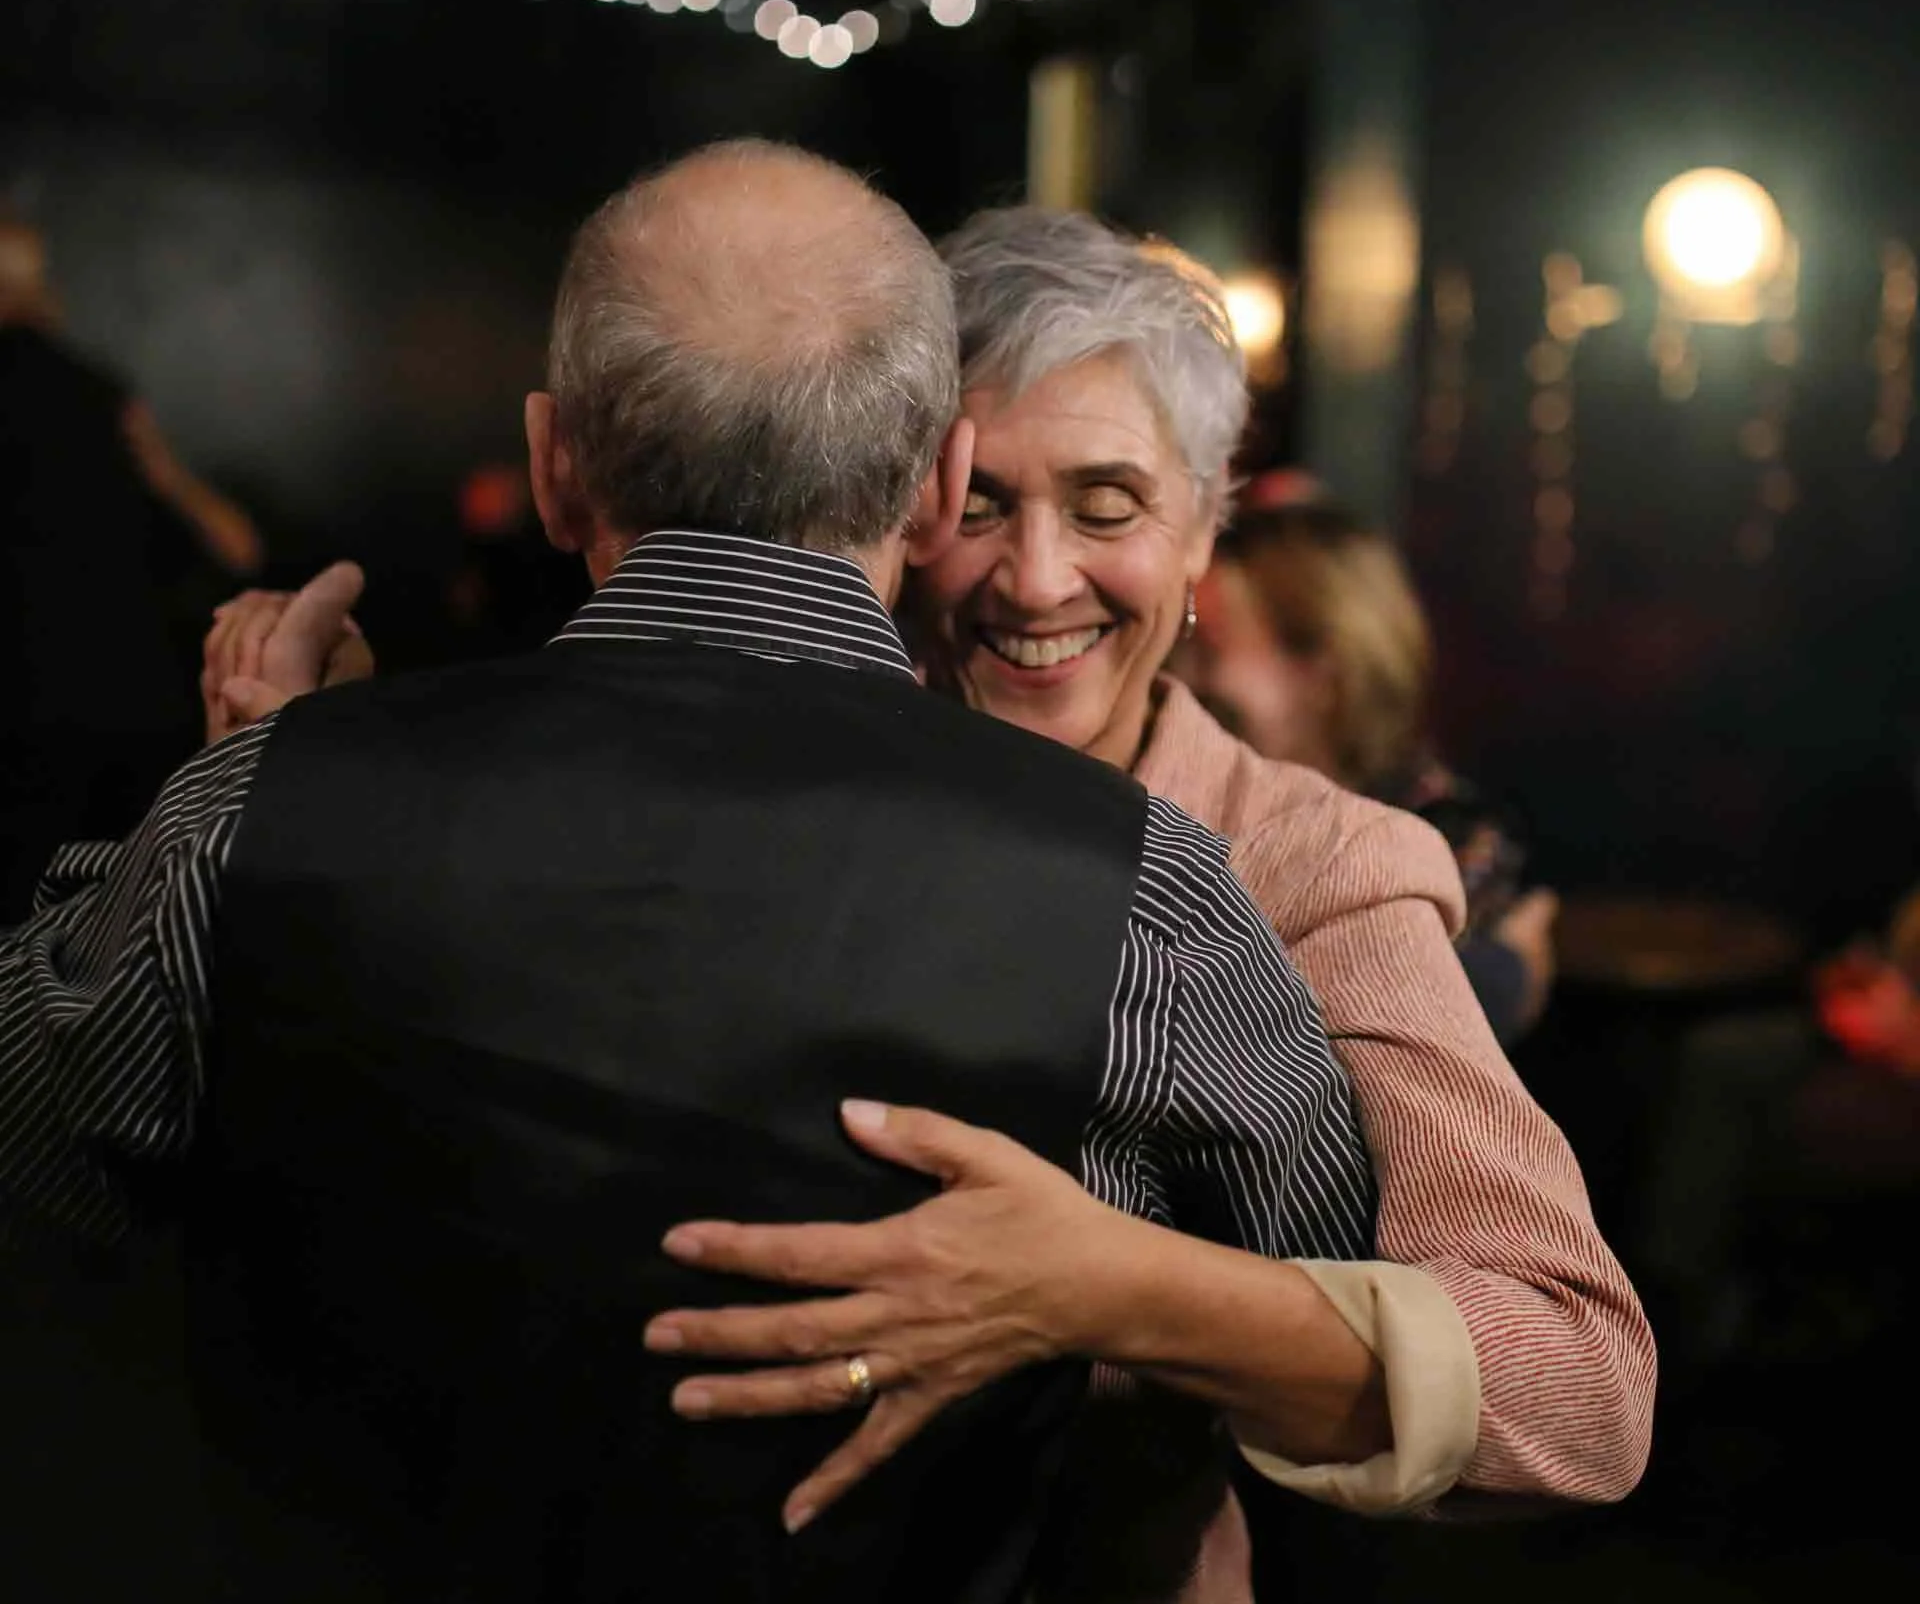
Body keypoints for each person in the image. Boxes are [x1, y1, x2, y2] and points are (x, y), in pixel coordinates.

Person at [1, 144, 1387, 1604]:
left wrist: (259, 794)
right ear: (940, 487)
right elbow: (1328, 1321)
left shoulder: (248, 812)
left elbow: (47, 1166)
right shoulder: (1146, 892)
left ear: (553, 464)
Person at [607, 209, 1654, 1552]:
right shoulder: (783, 776)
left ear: (1206, 533)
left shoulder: (1310, 861)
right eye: (979, 503)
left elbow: (1581, 1391)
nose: (1038, 580)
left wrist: (1108, 1287)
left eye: (1108, 507)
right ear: (901, 511)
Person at [1174, 477, 1561, 1048]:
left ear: (1326, 672)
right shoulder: (1182, 799)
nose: (1179, 680)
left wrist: (1482, 987)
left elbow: (1384, 1035)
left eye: (1206, 650)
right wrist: (1505, 979)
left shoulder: (1449, 832)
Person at [0, 218, 264, 918]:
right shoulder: (100, 394)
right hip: (132, 708)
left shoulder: (92, 394)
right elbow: (238, 548)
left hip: (37, 720)